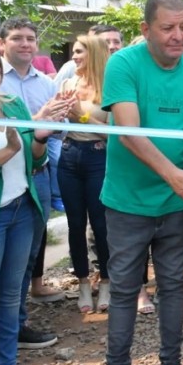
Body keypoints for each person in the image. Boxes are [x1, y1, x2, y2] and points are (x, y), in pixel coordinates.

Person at [95, 0, 183, 365]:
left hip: (180, 202)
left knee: (173, 284)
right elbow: (128, 131)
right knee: (125, 286)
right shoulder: (123, 63)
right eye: (168, 28)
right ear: (146, 30)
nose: (179, 36)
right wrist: (172, 175)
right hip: (128, 201)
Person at [0, 43, 62, 365]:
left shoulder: (13, 106)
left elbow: (34, 160)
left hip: (22, 211)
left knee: (10, 295)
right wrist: (8, 151)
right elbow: (8, 155)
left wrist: (40, 138)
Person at [0, 18, 69, 353]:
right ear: (1, 43)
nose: (25, 44)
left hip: (37, 174)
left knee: (26, 257)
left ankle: (17, 325)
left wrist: (50, 126)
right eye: (17, 38)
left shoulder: (46, 82)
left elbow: (57, 129)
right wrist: (38, 121)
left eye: (30, 39)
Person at [57, 35, 112, 313]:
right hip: (69, 155)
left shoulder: (110, 87)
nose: (74, 56)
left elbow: (115, 134)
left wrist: (80, 116)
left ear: (94, 54)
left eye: (79, 52)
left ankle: (105, 281)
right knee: (75, 224)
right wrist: (58, 112)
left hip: (98, 157)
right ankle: (82, 283)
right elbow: (55, 123)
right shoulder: (68, 84)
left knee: (101, 225)